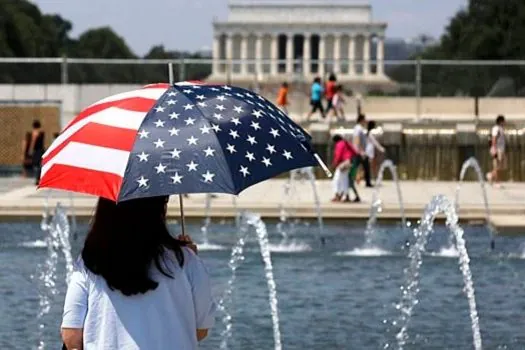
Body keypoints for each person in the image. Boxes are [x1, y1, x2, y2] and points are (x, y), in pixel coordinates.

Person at [61, 196, 215, 350]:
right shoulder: (186, 261)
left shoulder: (89, 262)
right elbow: (200, 330)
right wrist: (186, 256)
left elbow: (72, 335)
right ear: (159, 209)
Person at [331, 134, 361, 202]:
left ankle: (339, 196)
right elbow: (355, 152)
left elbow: (338, 155)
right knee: (344, 179)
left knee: (337, 180)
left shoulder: (339, 144)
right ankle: (344, 196)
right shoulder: (346, 142)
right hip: (350, 162)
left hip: (344, 163)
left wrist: (334, 164)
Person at [22, 120, 45, 184]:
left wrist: (28, 151)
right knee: (40, 165)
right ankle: (38, 179)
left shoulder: (31, 133)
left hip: (36, 151)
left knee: (37, 165)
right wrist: (31, 149)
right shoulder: (41, 133)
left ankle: (37, 179)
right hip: (39, 151)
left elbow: (28, 142)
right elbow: (33, 141)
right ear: (39, 126)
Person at [352, 114, 373, 188]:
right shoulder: (358, 128)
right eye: (364, 119)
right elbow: (357, 139)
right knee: (363, 166)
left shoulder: (359, 128)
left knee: (360, 166)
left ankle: (366, 182)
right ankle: (367, 182)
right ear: (361, 120)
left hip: (359, 151)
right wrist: (361, 151)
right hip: (359, 152)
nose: (365, 121)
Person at [487, 115, 506, 188]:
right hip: (497, 149)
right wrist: (494, 149)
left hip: (501, 149)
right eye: (504, 121)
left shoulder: (500, 129)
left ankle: (490, 175)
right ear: (500, 121)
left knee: (500, 166)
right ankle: (497, 182)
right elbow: (494, 138)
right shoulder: (496, 128)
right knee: (497, 165)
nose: (505, 122)